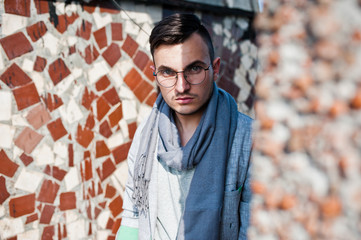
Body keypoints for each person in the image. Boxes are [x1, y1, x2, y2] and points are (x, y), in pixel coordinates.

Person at [116, 13, 252, 240]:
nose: (181, 86)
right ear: (155, 74)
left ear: (215, 68)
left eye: (194, 69)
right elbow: (132, 215)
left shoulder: (250, 139)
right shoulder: (146, 135)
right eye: (168, 72)